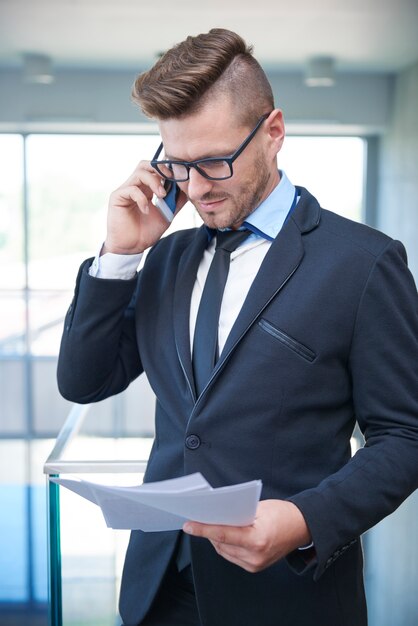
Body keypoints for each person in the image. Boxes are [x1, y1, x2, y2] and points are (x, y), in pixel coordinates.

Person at [57, 28, 418, 626]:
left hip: (287, 595)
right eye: (177, 165)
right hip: (158, 588)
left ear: (273, 132)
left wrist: (306, 521)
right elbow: (84, 381)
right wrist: (119, 255)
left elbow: (405, 436)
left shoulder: (363, 263)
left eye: (214, 161)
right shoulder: (166, 258)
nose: (195, 188)